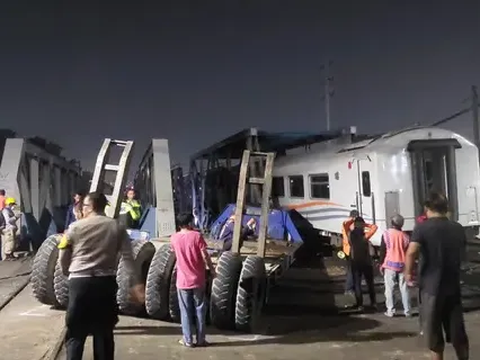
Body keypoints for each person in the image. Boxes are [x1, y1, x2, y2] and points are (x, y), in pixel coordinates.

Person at [58, 191, 144, 360]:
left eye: (84, 206)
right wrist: (135, 284)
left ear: (89, 207)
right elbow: (128, 259)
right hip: (105, 284)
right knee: (103, 333)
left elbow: (63, 256)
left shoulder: (75, 227)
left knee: (76, 333)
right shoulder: (117, 227)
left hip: (79, 283)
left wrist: (67, 272)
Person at [405, 192, 469, 360]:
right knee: (458, 333)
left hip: (431, 289)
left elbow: (411, 252)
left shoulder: (422, 228)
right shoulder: (457, 228)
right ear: (445, 207)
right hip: (453, 288)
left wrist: (408, 274)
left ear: (427, 208)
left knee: (434, 336)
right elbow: (463, 254)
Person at [170, 212, 216, 348]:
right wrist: (212, 270)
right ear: (190, 223)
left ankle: (188, 340)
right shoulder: (197, 236)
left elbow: (175, 254)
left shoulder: (174, 238)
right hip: (198, 279)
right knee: (200, 309)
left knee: (185, 311)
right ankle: (201, 340)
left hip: (182, 280)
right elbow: (205, 255)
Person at [379, 214, 411, 317]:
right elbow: (408, 252)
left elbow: (383, 250)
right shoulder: (406, 236)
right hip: (402, 264)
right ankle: (407, 311)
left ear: (392, 223)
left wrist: (380, 264)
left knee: (389, 288)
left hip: (389, 264)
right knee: (404, 288)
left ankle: (390, 310)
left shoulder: (386, 234)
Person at [343, 216, 378, 311]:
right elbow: (375, 227)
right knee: (370, 283)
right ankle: (373, 303)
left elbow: (345, 225)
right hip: (366, 262)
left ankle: (360, 304)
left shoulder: (350, 235)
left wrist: (352, 220)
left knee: (357, 283)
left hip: (355, 262)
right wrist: (366, 224)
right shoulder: (365, 236)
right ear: (362, 226)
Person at [341, 210, 359, 295]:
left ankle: (351, 287)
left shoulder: (345, 223)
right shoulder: (350, 224)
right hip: (351, 250)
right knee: (352, 270)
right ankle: (348, 289)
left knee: (352, 270)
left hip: (347, 250)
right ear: (354, 217)